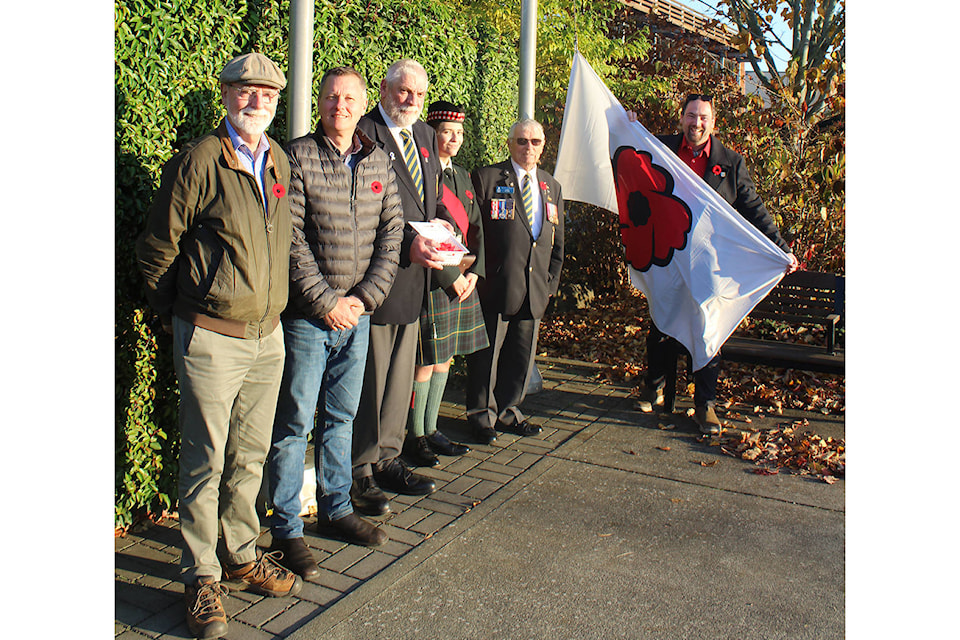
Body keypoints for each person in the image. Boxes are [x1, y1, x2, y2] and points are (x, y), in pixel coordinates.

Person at [135, 52, 301, 639]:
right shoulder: (200, 160)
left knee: (250, 455)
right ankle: (200, 575)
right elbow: (158, 249)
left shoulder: (278, 159)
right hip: (212, 335)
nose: (256, 101)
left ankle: (240, 551)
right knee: (205, 460)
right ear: (225, 94)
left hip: (268, 336)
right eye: (245, 91)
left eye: (267, 94)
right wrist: (186, 316)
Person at [265, 67, 404, 570]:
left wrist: (363, 301)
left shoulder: (380, 161)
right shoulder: (296, 156)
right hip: (308, 318)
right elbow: (291, 240)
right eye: (330, 97)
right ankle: (285, 526)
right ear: (319, 103)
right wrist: (326, 302)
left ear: (363, 105)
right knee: (294, 421)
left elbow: (391, 240)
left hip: (358, 318)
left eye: (348, 98)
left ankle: (336, 507)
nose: (339, 105)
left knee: (341, 418)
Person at [627, 93, 799, 435]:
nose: (696, 123)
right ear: (682, 119)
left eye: (703, 117)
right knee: (661, 324)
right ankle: (655, 387)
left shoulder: (730, 163)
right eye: (691, 116)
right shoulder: (659, 148)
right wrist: (627, 125)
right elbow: (627, 159)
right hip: (668, 258)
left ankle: (705, 404)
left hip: (709, 264)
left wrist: (781, 248)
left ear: (713, 122)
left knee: (708, 329)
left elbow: (753, 208)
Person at [352, 59, 457, 516]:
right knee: (368, 382)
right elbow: (360, 209)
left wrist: (446, 229)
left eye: (418, 93)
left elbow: (431, 200)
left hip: (416, 280)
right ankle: (359, 471)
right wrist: (411, 243)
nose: (410, 100)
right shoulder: (363, 132)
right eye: (402, 91)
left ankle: (390, 458)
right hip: (377, 277)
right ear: (384, 89)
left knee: (398, 380)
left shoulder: (425, 138)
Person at [466, 118, 565, 443]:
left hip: (534, 288)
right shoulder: (487, 178)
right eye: (522, 141)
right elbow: (475, 235)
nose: (528, 148)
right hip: (497, 284)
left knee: (521, 356)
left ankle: (509, 411)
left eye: (535, 142)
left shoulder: (551, 186)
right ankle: (482, 416)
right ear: (509, 144)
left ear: (543, 146)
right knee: (488, 356)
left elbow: (556, 243)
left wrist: (550, 285)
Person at [401, 101, 488, 467]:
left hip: (462, 280)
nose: (454, 139)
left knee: (446, 358)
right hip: (435, 281)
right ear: (432, 135)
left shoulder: (464, 176)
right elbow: (417, 228)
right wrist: (451, 278)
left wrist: (472, 273)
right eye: (447, 133)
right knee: (426, 359)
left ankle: (433, 428)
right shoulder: (425, 174)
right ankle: (414, 435)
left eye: (459, 133)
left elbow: (478, 227)